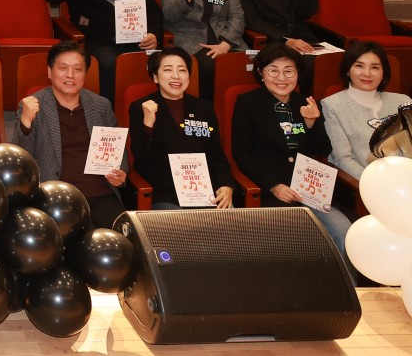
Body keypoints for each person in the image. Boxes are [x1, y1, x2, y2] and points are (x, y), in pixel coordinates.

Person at [231, 44, 351, 264]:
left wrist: (312, 123)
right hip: (269, 189)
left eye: (289, 71)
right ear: (261, 72)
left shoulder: (306, 103)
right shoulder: (248, 103)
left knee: (343, 229)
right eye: (273, 70)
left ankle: (347, 285)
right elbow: (241, 154)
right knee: (294, 239)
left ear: (298, 73)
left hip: (309, 189)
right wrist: (274, 185)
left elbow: (322, 150)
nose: (281, 78)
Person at [8, 41, 127, 229]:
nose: (70, 75)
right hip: (57, 195)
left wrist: (120, 171)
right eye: (63, 68)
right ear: (49, 72)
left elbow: (118, 149)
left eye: (77, 69)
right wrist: (26, 122)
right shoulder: (33, 105)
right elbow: (19, 158)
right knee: (72, 238)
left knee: (125, 236)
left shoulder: (101, 105)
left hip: (101, 192)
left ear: (85, 73)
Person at [128, 47, 236, 209]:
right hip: (165, 194)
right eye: (167, 70)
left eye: (182, 70)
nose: (176, 76)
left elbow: (216, 154)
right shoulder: (141, 107)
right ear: (155, 76)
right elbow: (141, 157)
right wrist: (148, 124)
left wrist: (226, 185)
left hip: (204, 191)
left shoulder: (204, 108)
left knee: (231, 221)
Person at [322, 42, 412, 179]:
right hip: (365, 182)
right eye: (359, 66)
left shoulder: (402, 101)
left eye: (375, 67)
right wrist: (372, 182)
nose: (367, 73)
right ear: (347, 70)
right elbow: (343, 159)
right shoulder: (332, 105)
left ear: (383, 73)